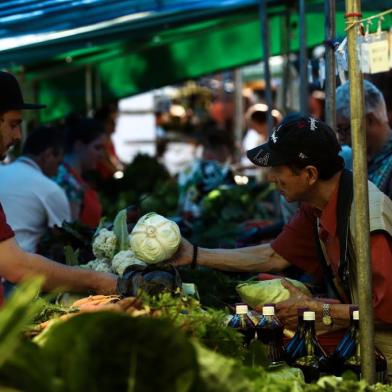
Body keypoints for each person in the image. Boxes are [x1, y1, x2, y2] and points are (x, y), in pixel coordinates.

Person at [173, 114, 392, 377]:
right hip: (361, 337)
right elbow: (274, 255)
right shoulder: (320, 203)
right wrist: (193, 254)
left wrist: (319, 309)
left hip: (383, 355)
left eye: (277, 170)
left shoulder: (367, 219)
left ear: (310, 174)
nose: (270, 178)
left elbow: (387, 311)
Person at [0, 70, 117, 301]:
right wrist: (96, 280)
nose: (17, 135)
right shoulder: (49, 187)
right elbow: (15, 265)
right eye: (13, 124)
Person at [0, 125, 71, 253]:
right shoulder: (50, 189)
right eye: (58, 163)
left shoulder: (2, 171)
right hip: (20, 267)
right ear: (48, 155)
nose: (57, 171)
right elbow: (66, 241)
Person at [336, 80, 392, 198]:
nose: (341, 138)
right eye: (338, 130)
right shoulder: (353, 159)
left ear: (370, 120)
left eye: (344, 129)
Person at [54, 116, 106, 228]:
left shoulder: (73, 179)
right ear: (78, 145)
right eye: (97, 148)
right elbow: (71, 234)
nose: (102, 155)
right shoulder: (67, 182)